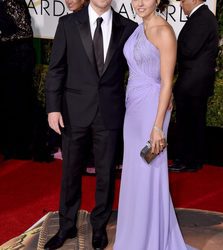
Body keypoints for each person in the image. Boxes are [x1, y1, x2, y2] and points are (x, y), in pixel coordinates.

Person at [44, 0, 137, 249]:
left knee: (106, 174)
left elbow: (136, 70)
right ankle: (66, 225)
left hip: (109, 113)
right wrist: (53, 108)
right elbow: (56, 69)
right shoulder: (68, 24)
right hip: (73, 112)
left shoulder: (128, 27)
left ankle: (99, 227)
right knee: (70, 173)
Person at [114, 0, 196, 249]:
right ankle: (133, 236)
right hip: (134, 109)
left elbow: (167, 82)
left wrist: (158, 125)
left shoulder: (164, 31)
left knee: (149, 171)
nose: (139, 3)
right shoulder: (139, 27)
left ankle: (149, 239)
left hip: (152, 110)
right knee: (134, 172)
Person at [169, 0, 219, 172]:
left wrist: (167, 47)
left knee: (190, 123)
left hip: (194, 84)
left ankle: (187, 161)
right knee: (191, 122)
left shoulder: (203, 17)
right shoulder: (201, 17)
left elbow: (189, 49)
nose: (181, 4)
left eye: (183, 0)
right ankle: (190, 160)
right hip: (193, 82)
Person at [0, 0, 35, 160]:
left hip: (18, 59)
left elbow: (26, 31)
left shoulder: (12, 1)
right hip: (5, 57)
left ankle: (21, 145)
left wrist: (2, 38)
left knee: (18, 100)